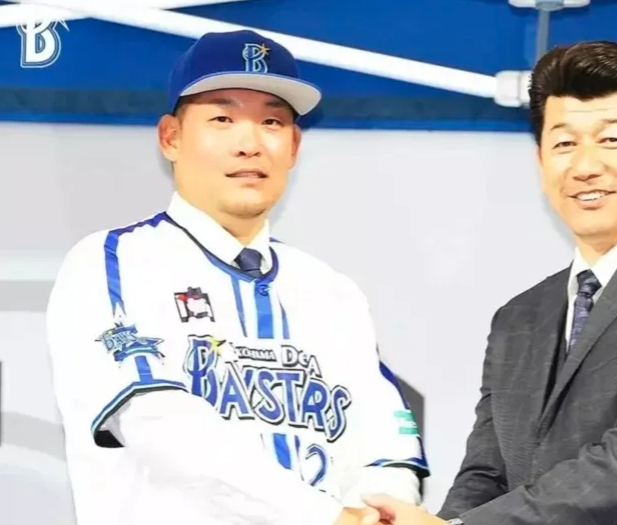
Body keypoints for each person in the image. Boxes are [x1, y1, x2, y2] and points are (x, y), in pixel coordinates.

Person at [363, 41, 617, 525]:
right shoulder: (520, 316)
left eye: (611, 140)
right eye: (564, 144)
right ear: (541, 164)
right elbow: (486, 475)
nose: (584, 166)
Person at [45, 29, 429, 525]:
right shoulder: (115, 260)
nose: (249, 144)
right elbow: (157, 426)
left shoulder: (331, 291)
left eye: (271, 121)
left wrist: (380, 513)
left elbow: (388, 442)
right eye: (222, 119)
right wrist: (328, 518)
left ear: (293, 145)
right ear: (171, 137)